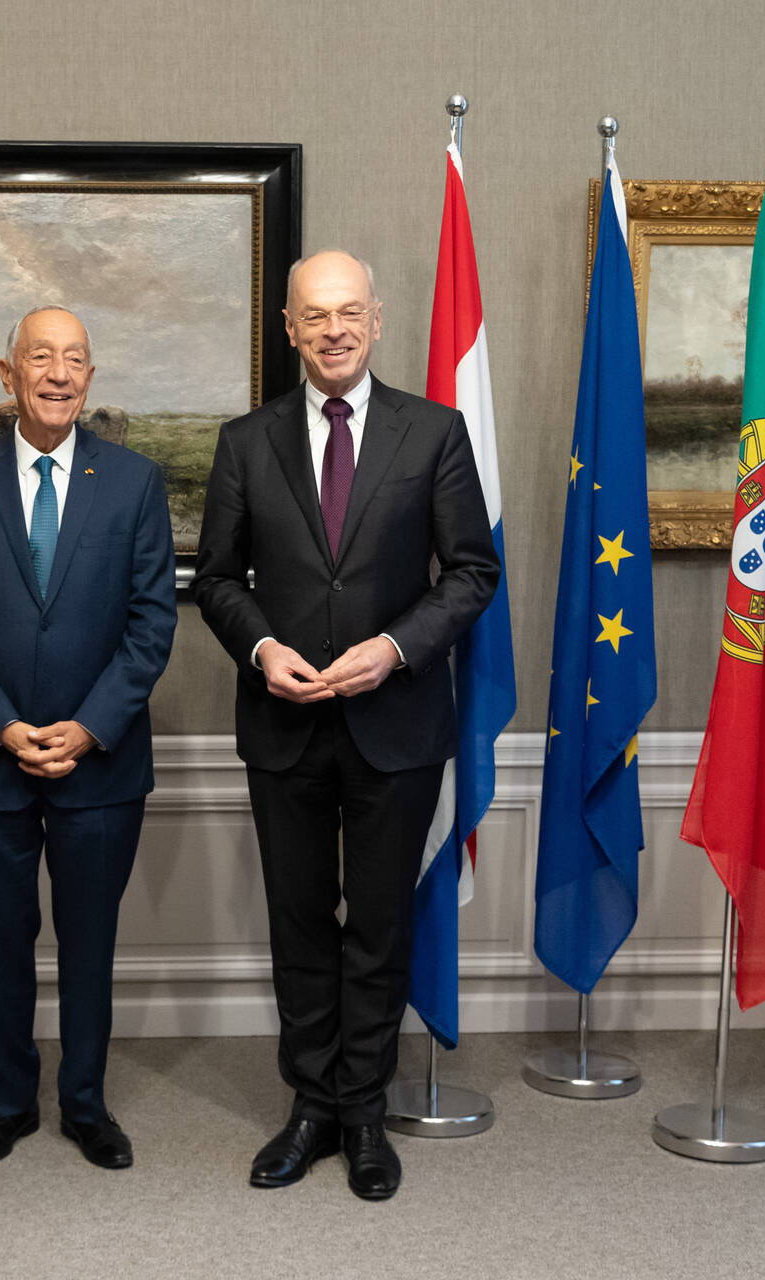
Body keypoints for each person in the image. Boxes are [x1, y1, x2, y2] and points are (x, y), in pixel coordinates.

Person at [192, 251, 501, 1201]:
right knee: (297, 924)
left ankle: (364, 1114)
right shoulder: (246, 442)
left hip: (395, 723)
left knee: (375, 926)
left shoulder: (436, 432)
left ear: (378, 321)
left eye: (350, 313)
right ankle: (311, 1108)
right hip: (284, 723)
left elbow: (472, 573)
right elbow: (214, 580)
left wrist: (397, 650)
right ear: (288, 328)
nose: (333, 330)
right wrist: (261, 651)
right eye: (314, 315)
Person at [0, 305, 176, 1171]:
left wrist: (90, 727)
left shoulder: (134, 484)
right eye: (41, 358)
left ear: (91, 379)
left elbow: (151, 626)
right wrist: (4, 725)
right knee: (2, 941)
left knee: (90, 942)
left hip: (99, 764)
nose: (59, 374)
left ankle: (87, 1105)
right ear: (7, 374)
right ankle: (8, 1102)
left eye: (75, 360)